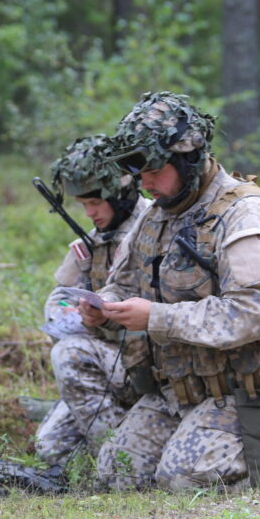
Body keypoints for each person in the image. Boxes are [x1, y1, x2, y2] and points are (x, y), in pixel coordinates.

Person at [78, 92, 260, 490]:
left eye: (155, 170)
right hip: (177, 391)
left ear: (188, 159)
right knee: (117, 475)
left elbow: (254, 312)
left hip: (245, 396)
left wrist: (156, 318)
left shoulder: (246, 216)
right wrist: (104, 308)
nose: (145, 184)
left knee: (185, 481)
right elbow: (124, 284)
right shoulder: (156, 216)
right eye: (137, 172)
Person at [34, 135, 152, 466]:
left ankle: (119, 462)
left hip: (149, 362)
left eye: (96, 203)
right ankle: (120, 445)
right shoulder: (92, 242)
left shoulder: (155, 227)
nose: (90, 213)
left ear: (119, 193)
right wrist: (69, 312)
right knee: (53, 448)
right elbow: (60, 295)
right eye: (83, 204)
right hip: (103, 357)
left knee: (69, 355)